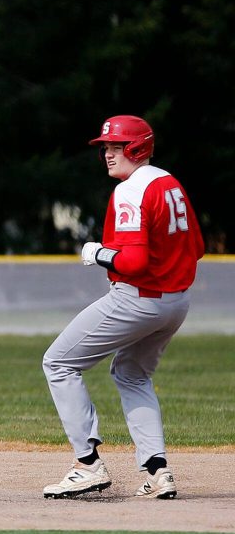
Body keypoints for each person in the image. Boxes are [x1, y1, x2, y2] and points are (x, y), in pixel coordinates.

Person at [42, 115, 204, 500]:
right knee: (131, 374)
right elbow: (196, 248)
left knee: (59, 362)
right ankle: (157, 472)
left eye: (115, 147)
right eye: (106, 148)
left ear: (136, 148)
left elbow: (133, 263)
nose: (108, 154)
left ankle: (87, 465)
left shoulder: (132, 190)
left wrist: (98, 252)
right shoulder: (170, 183)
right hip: (176, 303)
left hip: (136, 299)